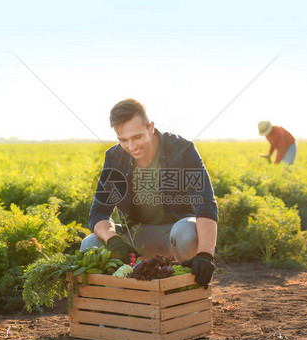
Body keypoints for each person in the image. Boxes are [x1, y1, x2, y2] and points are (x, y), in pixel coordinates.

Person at [81, 98, 218, 288]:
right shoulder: (114, 157)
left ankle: (186, 296)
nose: (131, 146)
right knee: (91, 244)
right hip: (134, 235)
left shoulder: (182, 150)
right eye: (123, 140)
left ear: (150, 127)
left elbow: (205, 204)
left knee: (187, 233)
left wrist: (205, 255)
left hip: (173, 236)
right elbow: (99, 212)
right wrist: (113, 240)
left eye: (137, 137)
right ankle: (115, 305)